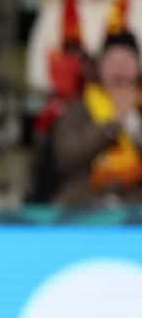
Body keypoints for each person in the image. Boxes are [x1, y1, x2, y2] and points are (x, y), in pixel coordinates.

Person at [50, 32, 142, 205]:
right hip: (85, 202)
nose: (119, 69)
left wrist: (132, 122)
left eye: (126, 62)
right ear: (100, 67)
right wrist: (111, 126)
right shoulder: (79, 107)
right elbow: (66, 159)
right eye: (112, 62)